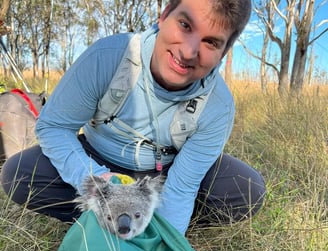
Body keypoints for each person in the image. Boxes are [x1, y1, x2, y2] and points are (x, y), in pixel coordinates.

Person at [0, 0, 265, 235]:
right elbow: (53, 126)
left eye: (211, 42)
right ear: (164, 16)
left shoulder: (218, 106)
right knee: (19, 174)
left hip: (167, 174)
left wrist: (163, 245)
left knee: (247, 189)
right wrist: (101, 186)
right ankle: (102, 218)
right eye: (185, 25)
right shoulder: (108, 57)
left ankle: (148, 225)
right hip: (97, 161)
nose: (188, 51)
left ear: (224, 52)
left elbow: (183, 187)